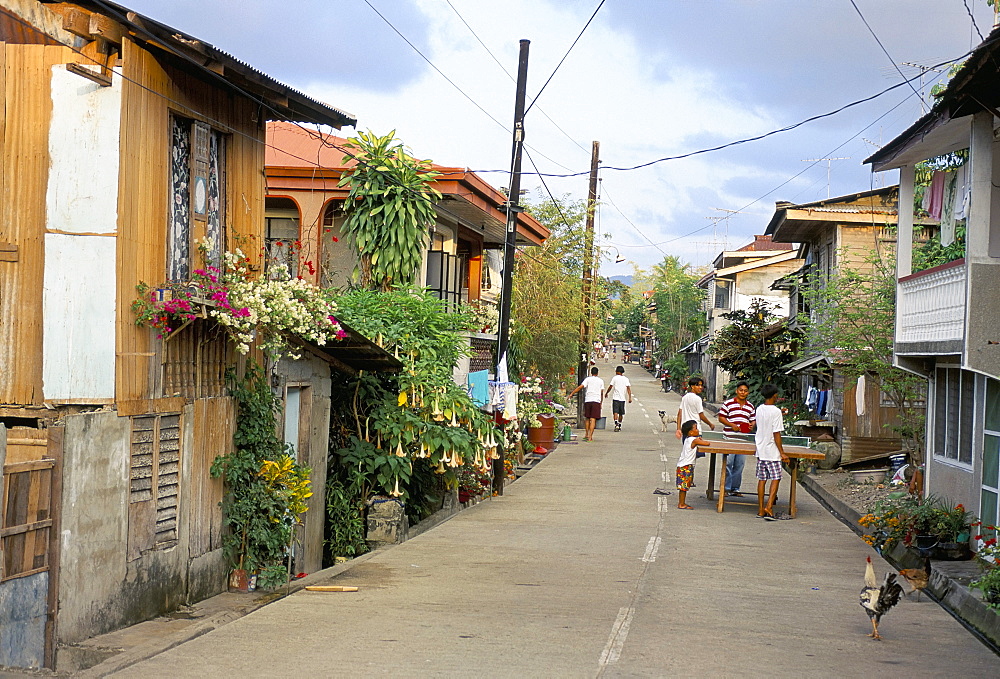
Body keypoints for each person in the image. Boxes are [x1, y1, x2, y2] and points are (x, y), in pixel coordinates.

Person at [754, 383, 789, 520]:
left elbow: (766, 419)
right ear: (775, 395)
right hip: (771, 451)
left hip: (760, 449)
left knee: (762, 479)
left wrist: (780, 412)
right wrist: (782, 452)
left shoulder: (759, 409)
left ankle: (760, 510)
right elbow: (776, 434)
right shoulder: (775, 412)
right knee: (776, 478)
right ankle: (769, 506)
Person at [717, 381, 756, 497]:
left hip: (743, 439)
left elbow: (753, 419)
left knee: (739, 465)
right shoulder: (728, 404)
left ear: (748, 392)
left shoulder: (750, 406)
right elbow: (721, 418)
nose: (743, 393)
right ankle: (726, 488)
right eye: (741, 390)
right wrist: (731, 425)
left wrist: (752, 425)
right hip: (729, 438)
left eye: (745, 391)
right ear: (736, 391)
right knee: (728, 463)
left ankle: (735, 488)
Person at [677, 420, 709, 510]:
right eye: (696, 428)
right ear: (691, 432)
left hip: (684, 465)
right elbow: (707, 443)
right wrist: (700, 439)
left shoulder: (688, 439)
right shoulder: (693, 440)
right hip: (685, 466)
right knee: (684, 486)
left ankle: (682, 502)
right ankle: (681, 503)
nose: (698, 430)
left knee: (684, 485)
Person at [568, 366, 604, 442]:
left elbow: (580, 387)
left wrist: (572, 393)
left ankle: (586, 434)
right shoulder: (600, 381)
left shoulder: (587, 379)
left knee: (587, 418)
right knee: (593, 418)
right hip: (596, 400)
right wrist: (601, 402)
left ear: (591, 372)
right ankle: (590, 437)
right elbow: (601, 392)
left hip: (588, 400)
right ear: (597, 373)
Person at [604, 365, 633, 432]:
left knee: (615, 412)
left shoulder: (615, 378)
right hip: (622, 399)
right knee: (621, 413)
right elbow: (628, 388)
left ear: (617, 371)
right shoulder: (626, 379)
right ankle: (619, 424)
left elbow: (610, 386)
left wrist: (607, 393)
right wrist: (630, 397)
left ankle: (616, 423)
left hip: (616, 398)